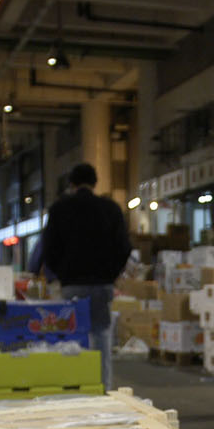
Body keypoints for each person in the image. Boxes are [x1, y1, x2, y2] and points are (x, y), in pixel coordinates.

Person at [38, 162, 131, 388]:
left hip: (71, 284)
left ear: (71, 183)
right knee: (101, 337)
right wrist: (111, 274)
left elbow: (48, 248)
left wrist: (62, 274)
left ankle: (74, 386)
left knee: (71, 338)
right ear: (95, 183)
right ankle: (103, 389)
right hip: (102, 284)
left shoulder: (59, 209)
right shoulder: (110, 209)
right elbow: (124, 247)